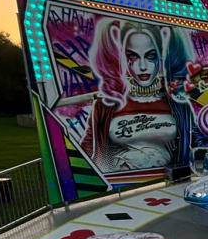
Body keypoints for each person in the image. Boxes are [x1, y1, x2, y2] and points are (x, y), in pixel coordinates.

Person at [82, 20, 191, 177]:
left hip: (170, 181)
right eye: (133, 56)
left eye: (150, 56)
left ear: (161, 55)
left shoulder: (177, 103)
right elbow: (89, 148)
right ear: (123, 57)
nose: (142, 66)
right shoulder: (107, 104)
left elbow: (194, 140)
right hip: (121, 184)